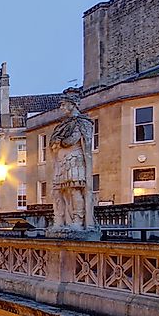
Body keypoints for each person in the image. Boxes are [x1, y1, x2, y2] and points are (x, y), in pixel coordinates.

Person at [49, 93, 96, 234]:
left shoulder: (82, 122)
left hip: (74, 159)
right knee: (57, 192)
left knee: (74, 190)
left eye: (64, 104)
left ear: (73, 104)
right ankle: (59, 220)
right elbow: (52, 142)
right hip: (61, 161)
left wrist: (60, 141)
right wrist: (56, 141)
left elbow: (74, 139)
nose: (61, 107)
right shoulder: (62, 125)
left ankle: (77, 220)